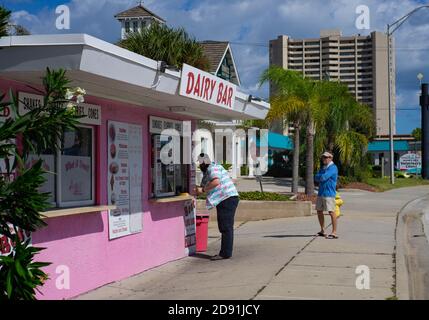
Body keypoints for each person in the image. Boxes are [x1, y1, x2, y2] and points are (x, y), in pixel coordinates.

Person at [195, 153, 239, 260]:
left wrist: (204, 190)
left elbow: (215, 182)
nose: (199, 165)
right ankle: (226, 252)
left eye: (200, 163)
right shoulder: (212, 168)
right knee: (226, 226)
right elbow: (203, 185)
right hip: (227, 198)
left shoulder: (212, 168)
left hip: (226, 198)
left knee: (226, 227)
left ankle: (225, 253)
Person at [315, 151, 339, 239]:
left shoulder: (333, 168)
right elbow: (316, 177)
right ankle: (322, 230)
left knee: (331, 212)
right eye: (323, 157)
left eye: (326, 157)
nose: (324, 159)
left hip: (329, 194)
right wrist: (321, 176)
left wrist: (321, 176)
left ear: (330, 158)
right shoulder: (323, 168)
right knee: (319, 210)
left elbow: (324, 177)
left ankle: (334, 232)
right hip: (321, 193)